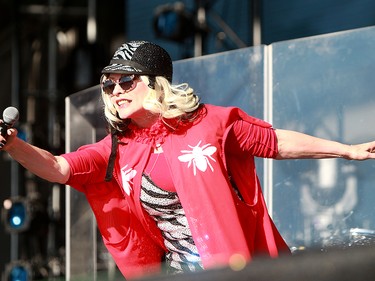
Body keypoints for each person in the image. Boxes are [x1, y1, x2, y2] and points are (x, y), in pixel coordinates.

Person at [2, 40, 375, 280]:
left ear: (155, 83)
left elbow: (274, 141)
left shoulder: (210, 123)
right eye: (108, 84)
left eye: (126, 81)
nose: (115, 91)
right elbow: (58, 167)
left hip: (236, 268)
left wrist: (346, 149)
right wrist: (13, 145)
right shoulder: (116, 147)